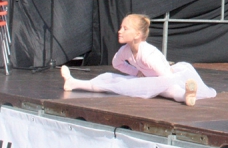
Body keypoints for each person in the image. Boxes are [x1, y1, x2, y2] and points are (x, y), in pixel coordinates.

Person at [61, 14, 216, 106]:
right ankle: (73, 82)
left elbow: (167, 77)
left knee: (172, 90)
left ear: (137, 35)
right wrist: (136, 72)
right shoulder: (125, 50)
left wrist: (150, 83)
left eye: (125, 29)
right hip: (148, 79)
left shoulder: (148, 54)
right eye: (121, 27)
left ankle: (186, 96)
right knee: (110, 80)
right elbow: (117, 64)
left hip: (164, 78)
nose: (119, 31)